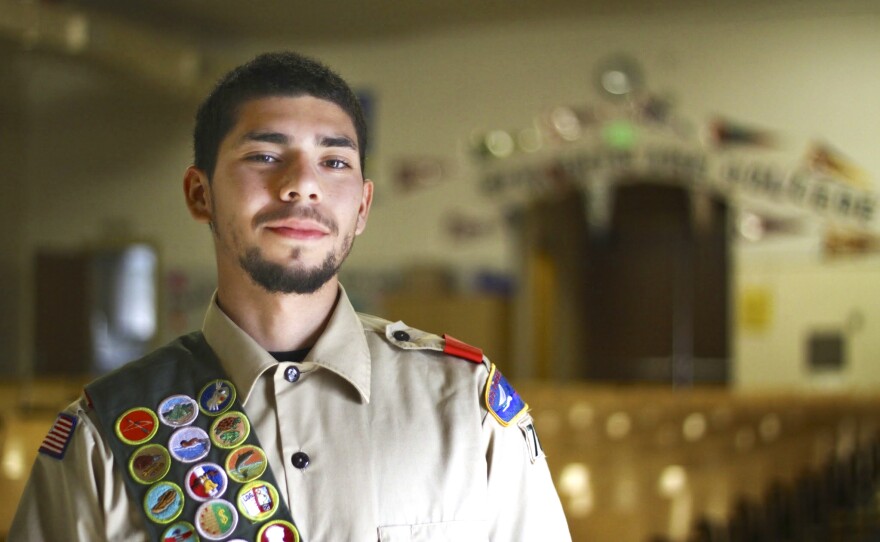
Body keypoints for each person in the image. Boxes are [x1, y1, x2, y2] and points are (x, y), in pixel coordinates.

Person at [11, 51, 571, 541]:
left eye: (334, 161)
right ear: (199, 193)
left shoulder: (466, 406)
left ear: (363, 206)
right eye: (264, 155)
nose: (302, 183)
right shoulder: (107, 437)